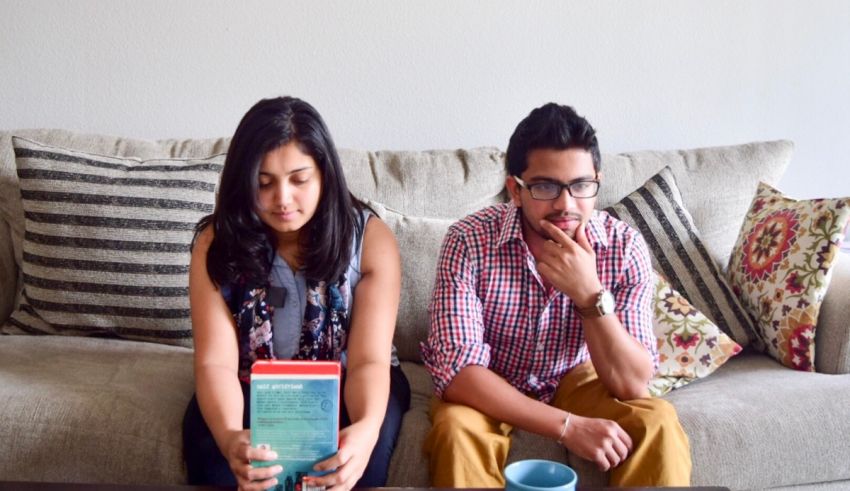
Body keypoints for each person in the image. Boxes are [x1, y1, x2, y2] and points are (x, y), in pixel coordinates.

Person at [421, 103, 691, 487]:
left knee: (657, 421)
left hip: (579, 378)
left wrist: (590, 295)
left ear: (597, 181)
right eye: (546, 187)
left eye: (581, 186)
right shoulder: (468, 239)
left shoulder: (624, 245)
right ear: (515, 189)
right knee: (455, 430)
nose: (566, 204)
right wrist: (567, 427)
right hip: (491, 378)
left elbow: (633, 384)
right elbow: (460, 374)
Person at [182, 96, 410, 491]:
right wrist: (230, 436)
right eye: (263, 182)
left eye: (299, 180)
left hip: (348, 378)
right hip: (250, 380)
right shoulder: (215, 242)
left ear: (324, 175)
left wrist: (368, 429)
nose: (283, 199)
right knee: (222, 469)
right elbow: (215, 364)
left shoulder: (371, 240)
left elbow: (368, 361)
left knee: (355, 470)